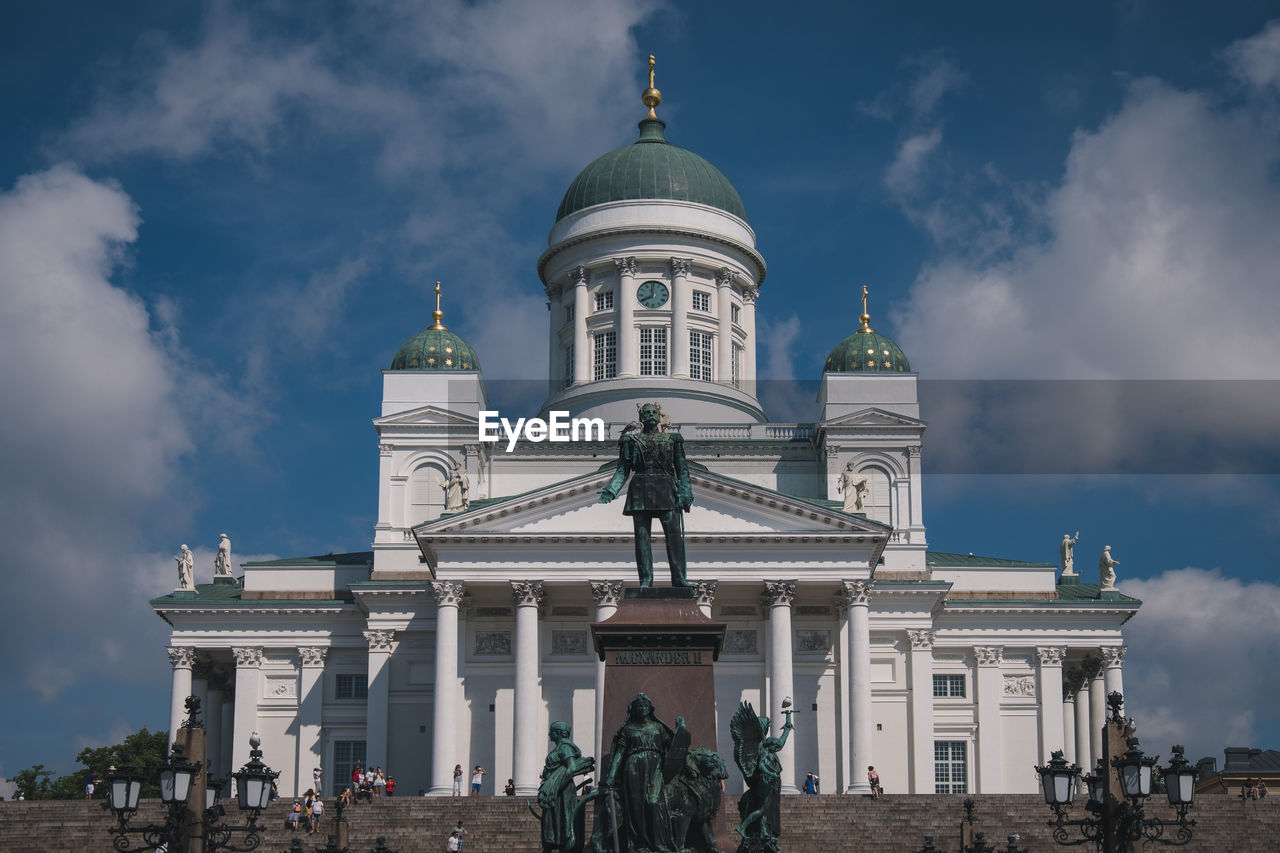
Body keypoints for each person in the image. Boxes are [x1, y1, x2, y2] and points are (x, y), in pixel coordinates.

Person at [598, 402, 694, 587]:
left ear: (658, 417)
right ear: (641, 418)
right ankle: (646, 580)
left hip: (666, 488)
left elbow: (682, 469)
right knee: (642, 538)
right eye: (646, 413)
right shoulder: (631, 442)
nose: (650, 415)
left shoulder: (673, 440)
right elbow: (623, 469)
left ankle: (679, 578)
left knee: (674, 537)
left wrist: (685, 493)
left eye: (653, 412)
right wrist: (611, 490)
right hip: (640, 489)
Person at [605, 692, 683, 851]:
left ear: (650, 709)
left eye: (645, 705)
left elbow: (674, 746)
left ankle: (660, 844)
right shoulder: (628, 729)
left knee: (653, 802)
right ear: (633, 709)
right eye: (639, 706)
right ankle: (641, 844)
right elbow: (620, 754)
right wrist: (611, 776)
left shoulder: (658, 727)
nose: (642, 708)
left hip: (654, 766)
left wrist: (681, 728)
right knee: (636, 806)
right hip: (633, 767)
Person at [537, 721, 595, 853]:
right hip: (556, 790)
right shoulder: (559, 747)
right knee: (552, 819)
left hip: (562, 790)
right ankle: (551, 845)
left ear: (558, 733)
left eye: (551, 731)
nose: (549, 734)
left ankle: (565, 845)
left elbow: (571, 768)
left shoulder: (564, 747)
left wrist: (556, 784)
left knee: (564, 817)